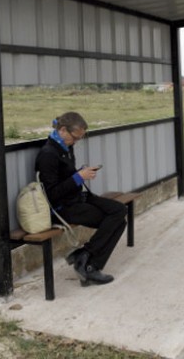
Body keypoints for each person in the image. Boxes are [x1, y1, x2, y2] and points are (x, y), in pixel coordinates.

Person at [35, 112, 127, 287]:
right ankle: (90, 266)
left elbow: (66, 176)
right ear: (62, 130)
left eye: (79, 139)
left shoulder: (65, 147)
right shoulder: (48, 154)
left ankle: (83, 256)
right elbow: (52, 194)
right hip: (63, 208)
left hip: (77, 198)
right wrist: (78, 177)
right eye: (75, 138)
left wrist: (80, 173)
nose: (76, 142)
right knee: (117, 221)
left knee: (120, 210)